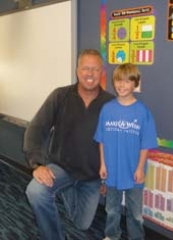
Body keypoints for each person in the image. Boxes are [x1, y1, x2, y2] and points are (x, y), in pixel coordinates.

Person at [24, 49, 114, 240]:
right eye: (85, 68)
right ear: (77, 70)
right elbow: (36, 128)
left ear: (102, 72)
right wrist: (37, 165)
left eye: (95, 69)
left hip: (91, 176)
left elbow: (115, 145)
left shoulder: (111, 104)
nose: (90, 74)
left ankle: (67, 188)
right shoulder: (60, 96)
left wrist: (109, 178)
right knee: (35, 191)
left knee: (81, 225)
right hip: (61, 167)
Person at [94, 63, 158, 240]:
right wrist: (102, 164)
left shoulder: (143, 112)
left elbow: (146, 144)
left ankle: (136, 237)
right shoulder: (107, 109)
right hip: (112, 170)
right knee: (111, 209)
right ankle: (112, 235)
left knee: (135, 213)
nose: (121, 85)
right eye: (118, 81)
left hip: (134, 171)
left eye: (127, 81)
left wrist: (139, 168)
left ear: (135, 84)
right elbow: (101, 140)